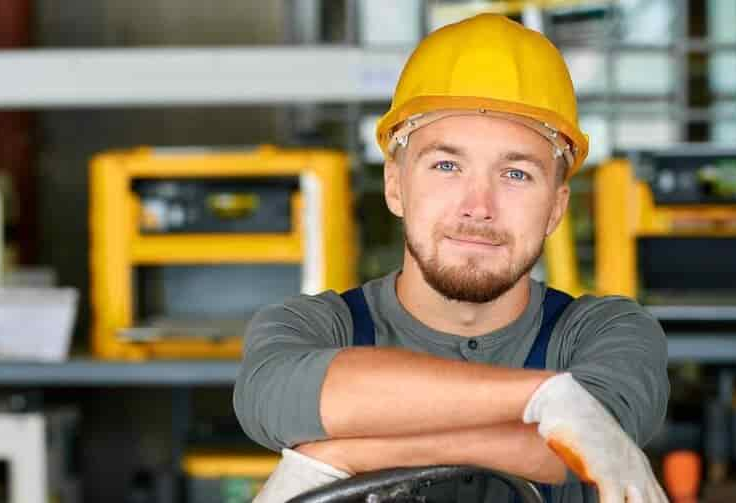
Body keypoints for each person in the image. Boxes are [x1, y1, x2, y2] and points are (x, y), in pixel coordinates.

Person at [234, 13, 669, 503]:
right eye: (446, 165)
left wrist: (340, 456)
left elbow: (577, 447)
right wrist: (545, 399)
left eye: (516, 174)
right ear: (395, 186)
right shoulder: (310, 327)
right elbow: (275, 399)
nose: (478, 206)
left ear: (557, 207)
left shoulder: (606, 333)